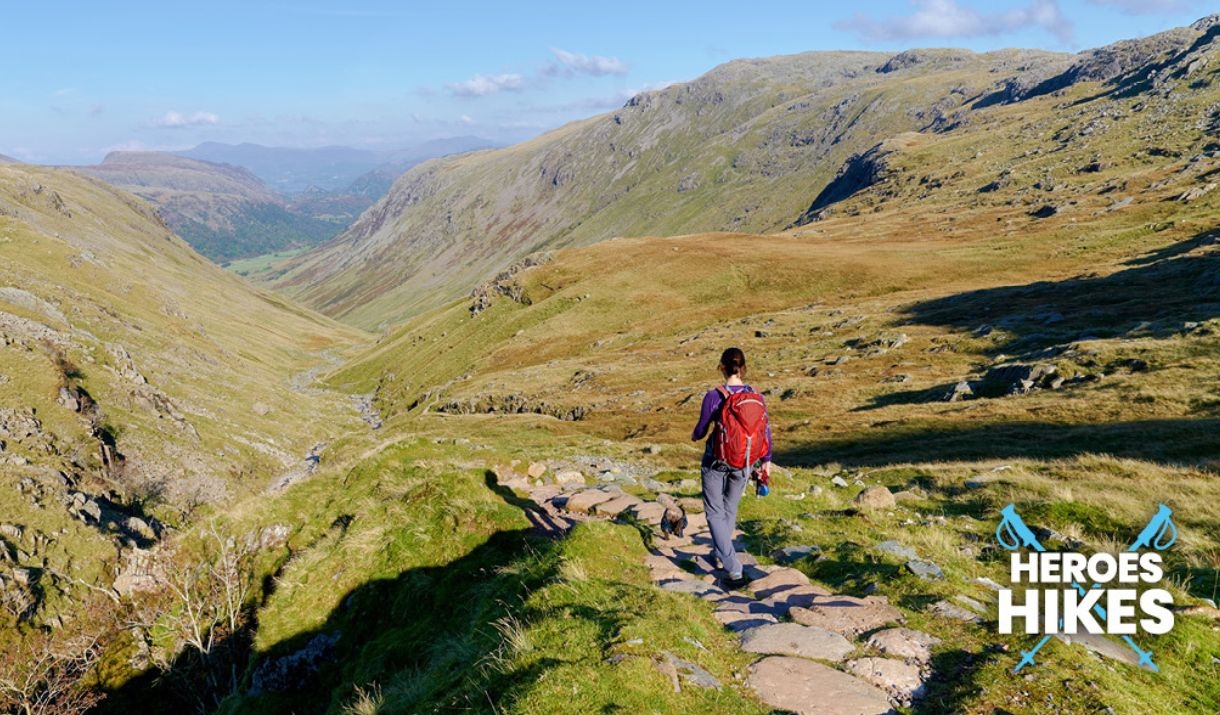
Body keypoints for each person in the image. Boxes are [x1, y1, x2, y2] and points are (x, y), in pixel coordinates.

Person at [691, 347, 772, 589]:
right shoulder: (756, 396)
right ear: (743, 367)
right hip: (745, 462)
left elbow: (702, 428)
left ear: (721, 366)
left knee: (715, 512)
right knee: (730, 508)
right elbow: (764, 430)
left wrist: (695, 436)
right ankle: (720, 552)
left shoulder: (714, 395)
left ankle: (734, 568)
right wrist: (766, 459)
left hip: (716, 461)